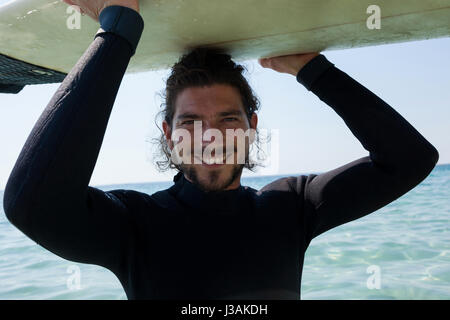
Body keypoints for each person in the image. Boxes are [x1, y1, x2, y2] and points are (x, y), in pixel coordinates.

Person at [3, 0, 439, 300]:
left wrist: (315, 71)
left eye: (227, 120)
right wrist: (118, 34)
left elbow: (410, 159)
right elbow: (32, 205)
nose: (209, 137)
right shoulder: (132, 226)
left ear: (251, 127)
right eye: (189, 123)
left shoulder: (292, 206)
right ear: (167, 134)